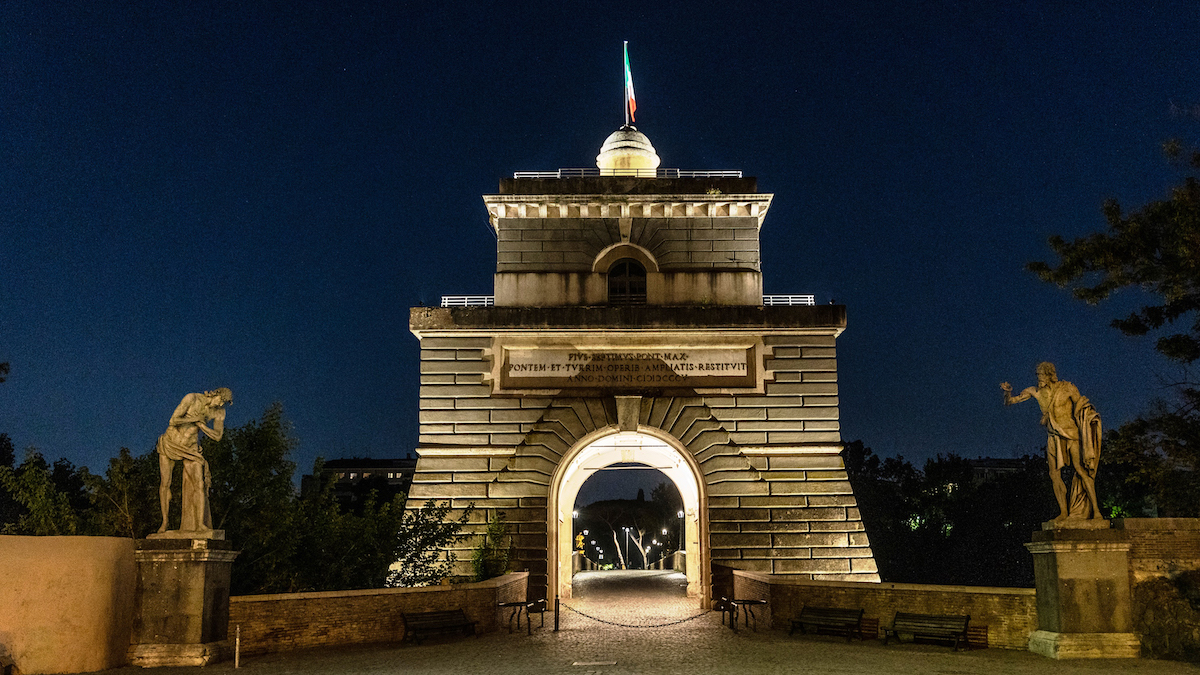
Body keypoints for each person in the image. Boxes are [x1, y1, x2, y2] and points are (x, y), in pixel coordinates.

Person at [1001, 363, 1102, 520]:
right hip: (1053, 436)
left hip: (1071, 433)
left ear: (1049, 374)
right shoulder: (1034, 391)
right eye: (1037, 375)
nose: (1038, 378)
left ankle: (1096, 511)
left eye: (1040, 374)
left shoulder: (1067, 388)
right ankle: (1063, 512)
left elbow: (1081, 407)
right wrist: (1007, 393)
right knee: (1054, 474)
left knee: (1080, 469)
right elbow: (1010, 402)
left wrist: (1089, 420)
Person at [155, 388, 232, 535]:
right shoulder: (192, 398)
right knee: (165, 483)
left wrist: (202, 426)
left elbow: (217, 436)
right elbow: (173, 420)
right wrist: (194, 420)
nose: (220, 404)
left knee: (199, 484)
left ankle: (200, 525)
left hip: (190, 447)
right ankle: (164, 522)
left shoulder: (219, 412)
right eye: (220, 400)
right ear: (215, 394)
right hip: (171, 443)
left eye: (223, 403)